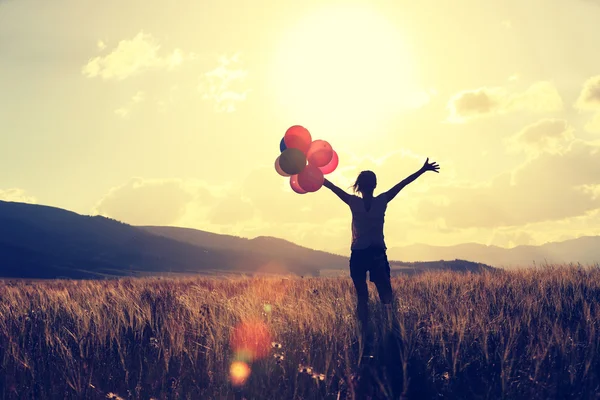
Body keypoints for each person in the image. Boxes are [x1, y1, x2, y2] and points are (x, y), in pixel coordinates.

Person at [322, 157, 440, 355]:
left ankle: (364, 334)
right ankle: (391, 332)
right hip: (377, 253)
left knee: (362, 297)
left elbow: (332, 188)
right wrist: (422, 170)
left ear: (359, 186)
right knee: (386, 296)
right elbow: (402, 184)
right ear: (375, 185)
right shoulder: (382, 201)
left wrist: (320, 179)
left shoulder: (353, 202)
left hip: (358, 253)